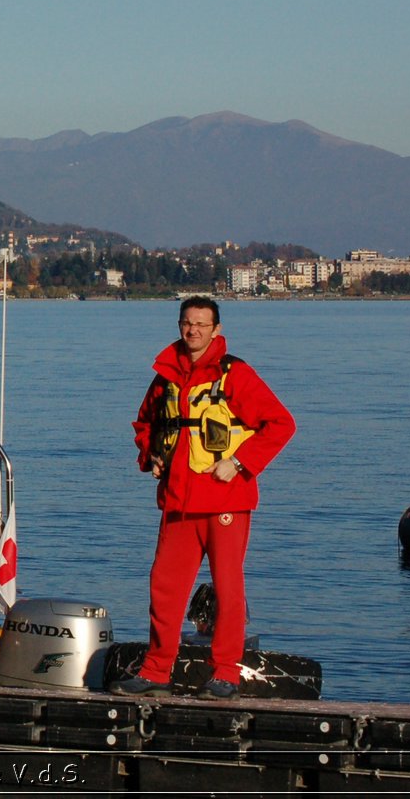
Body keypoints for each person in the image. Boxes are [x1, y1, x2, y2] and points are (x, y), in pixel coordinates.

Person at [113, 296, 295, 700]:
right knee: (164, 586)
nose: (193, 330)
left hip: (226, 499)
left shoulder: (235, 375)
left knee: (228, 589)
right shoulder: (164, 377)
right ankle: (156, 671)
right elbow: (145, 424)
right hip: (178, 500)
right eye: (187, 323)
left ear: (216, 328)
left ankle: (226, 674)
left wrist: (241, 462)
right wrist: (152, 456)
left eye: (201, 324)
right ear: (179, 325)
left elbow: (281, 424)